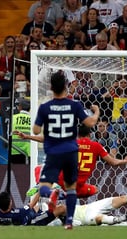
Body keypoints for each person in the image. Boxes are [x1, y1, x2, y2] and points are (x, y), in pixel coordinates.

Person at [32, 70, 100, 229]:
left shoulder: (45, 107)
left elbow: (35, 130)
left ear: (50, 87)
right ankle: (69, 221)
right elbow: (90, 123)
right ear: (66, 86)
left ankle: (56, 194)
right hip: (70, 152)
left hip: (54, 151)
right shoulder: (74, 105)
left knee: (44, 187)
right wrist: (96, 112)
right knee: (71, 187)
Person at [0, 176, 127, 226]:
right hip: (82, 217)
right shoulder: (44, 217)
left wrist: (42, 189)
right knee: (97, 219)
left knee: (120, 200)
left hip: (83, 208)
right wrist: (50, 192)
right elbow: (50, 208)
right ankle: (118, 220)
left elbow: (33, 204)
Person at [18, 124, 127, 199]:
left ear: (78, 134)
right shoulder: (96, 146)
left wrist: (27, 137)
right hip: (79, 185)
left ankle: (47, 187)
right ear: (90, 134)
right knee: (95, 190)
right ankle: (60, 193)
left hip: (64, 180)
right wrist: (125, 161)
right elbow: (113, 162)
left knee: (39, 168)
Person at [11, 98, 31, 164]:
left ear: (20, 107)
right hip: (29, 150)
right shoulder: (33, 118)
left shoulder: (13, 118)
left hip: (15, 150)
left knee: (18, 172)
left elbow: (8, 133)